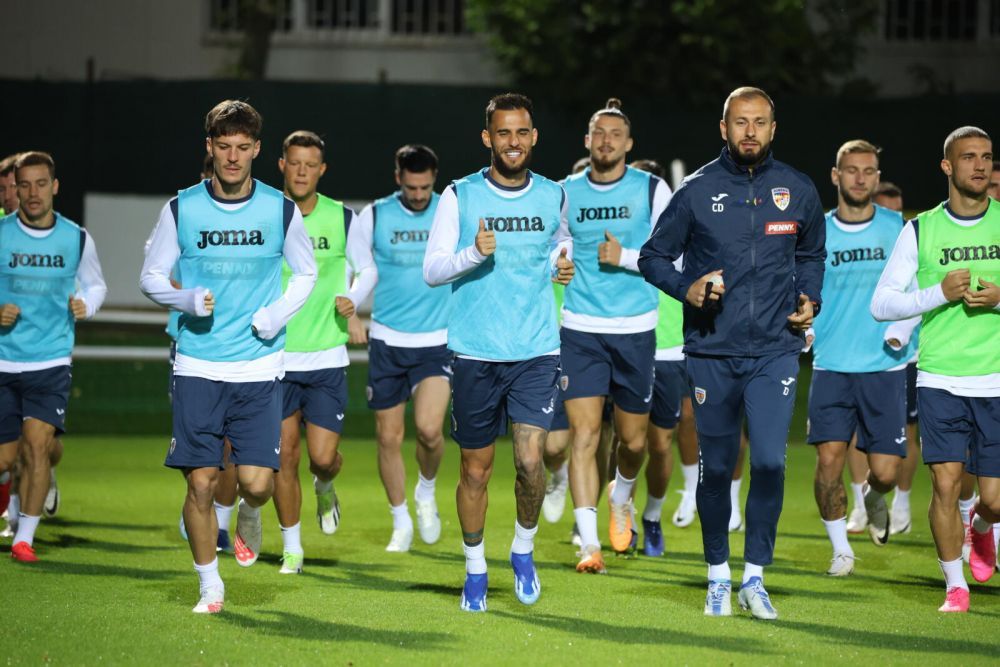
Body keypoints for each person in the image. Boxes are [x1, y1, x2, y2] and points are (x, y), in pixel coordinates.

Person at [639, 86, 826, 619]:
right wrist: (688, 289)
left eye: (759, 122)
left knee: (768, 461)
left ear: (773, 128)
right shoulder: (697, 190)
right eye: (740, 122)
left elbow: (812, 252)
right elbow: (654, 258)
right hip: (712, 351)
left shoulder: (798, 189)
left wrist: (811, 297)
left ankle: (755, 577)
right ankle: (718, 575)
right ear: (724, 128)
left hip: (776, 350)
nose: (750, 131)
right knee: (716, 468)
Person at [139, 100, 317, 613]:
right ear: (210, 148)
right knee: (200, 480)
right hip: (197, 362)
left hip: (259, 365)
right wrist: (185, 299)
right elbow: (150, 276)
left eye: (243, 148)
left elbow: (305, 275)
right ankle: (210, 583)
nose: (233, 157)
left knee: (258, 484)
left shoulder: (280, 210)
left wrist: (276, 315)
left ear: (258, 150)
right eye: (224, 147)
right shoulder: (181, 208)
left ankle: (250, 512)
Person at [423, 92, 574, 612]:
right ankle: (475, 567)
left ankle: (523, 552)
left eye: (522, 132)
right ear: (488, 138)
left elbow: (560, 242)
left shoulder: (554, 194)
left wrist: (561, 260)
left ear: (533, 137)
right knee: (476, 470)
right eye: (503, 133)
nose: (514, 142)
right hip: (475, 353)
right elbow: (433, 268)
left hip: (535, 349)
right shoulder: (459, 196)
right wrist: (473, 254)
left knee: (532, 462)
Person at [871, 125, 1000, 613]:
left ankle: (983, 529)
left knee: (995, 499)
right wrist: (937, 295)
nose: (981, 165)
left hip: (996, 379)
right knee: (945, 483)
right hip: (941, 377)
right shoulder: (920, 229)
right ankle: (955, 585)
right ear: (948, 167)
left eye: (987, 157)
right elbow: (882, 303)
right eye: (969, 157)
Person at [557, 99, 671, 573]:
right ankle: (588, 544)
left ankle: (621, 495)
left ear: (628, 144)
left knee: (634, 442)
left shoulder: (652, 190)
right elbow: (557, 238)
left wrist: (624, 257)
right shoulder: (564, 191)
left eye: (614, 134)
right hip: (581, 327)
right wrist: (558, 259)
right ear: (587, 141)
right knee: (583, 436)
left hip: (635, 330)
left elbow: (672, 253)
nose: (605, 141)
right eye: (597, 133)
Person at [808, 140, 916, 577]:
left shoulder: (900, 228)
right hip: (831, 364)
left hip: (886, 368)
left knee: (887, 473)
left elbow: (918, 292)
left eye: (868, 171)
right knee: (828, 460)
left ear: (877, 176)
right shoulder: (817, 230)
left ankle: (873, 496)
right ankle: (840, 550)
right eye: (850, 170)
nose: (859, 178)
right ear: (835, 176)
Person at [1, 150, 107, 562]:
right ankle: (11, 499)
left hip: (51, 360)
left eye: (40, 184)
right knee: (6, 458)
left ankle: (23, 538)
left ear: (55, 187)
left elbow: (96, 286)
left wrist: (86, 304)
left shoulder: (76, 238)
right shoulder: (2, 233)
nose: (32, 193)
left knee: (38, 444)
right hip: (4, 360)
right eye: (24, 185)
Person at [345, 144, 451, 552]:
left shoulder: (449, 211)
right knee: (388, 438)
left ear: (434, 180)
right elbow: (353, 268)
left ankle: (426, 491)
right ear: (398, 179)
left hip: (437, 340)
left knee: (428, 429)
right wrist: (352, 308)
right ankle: (400, 519)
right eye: (412, 187)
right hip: (388, 339)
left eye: (426, 187)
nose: (420, 195)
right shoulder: (374, 215)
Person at [268, 130, 356, 574]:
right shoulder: (266, 216)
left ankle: (326, 486)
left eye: (310, 164)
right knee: (284, 456)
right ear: (281, 164)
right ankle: (292, 548)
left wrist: (355, 300)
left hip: (325, 357)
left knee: (322, 458)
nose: (301, 171)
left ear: (321, 170)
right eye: (294, 162)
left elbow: (367, 268)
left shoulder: (342, 218)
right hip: (277, 357)